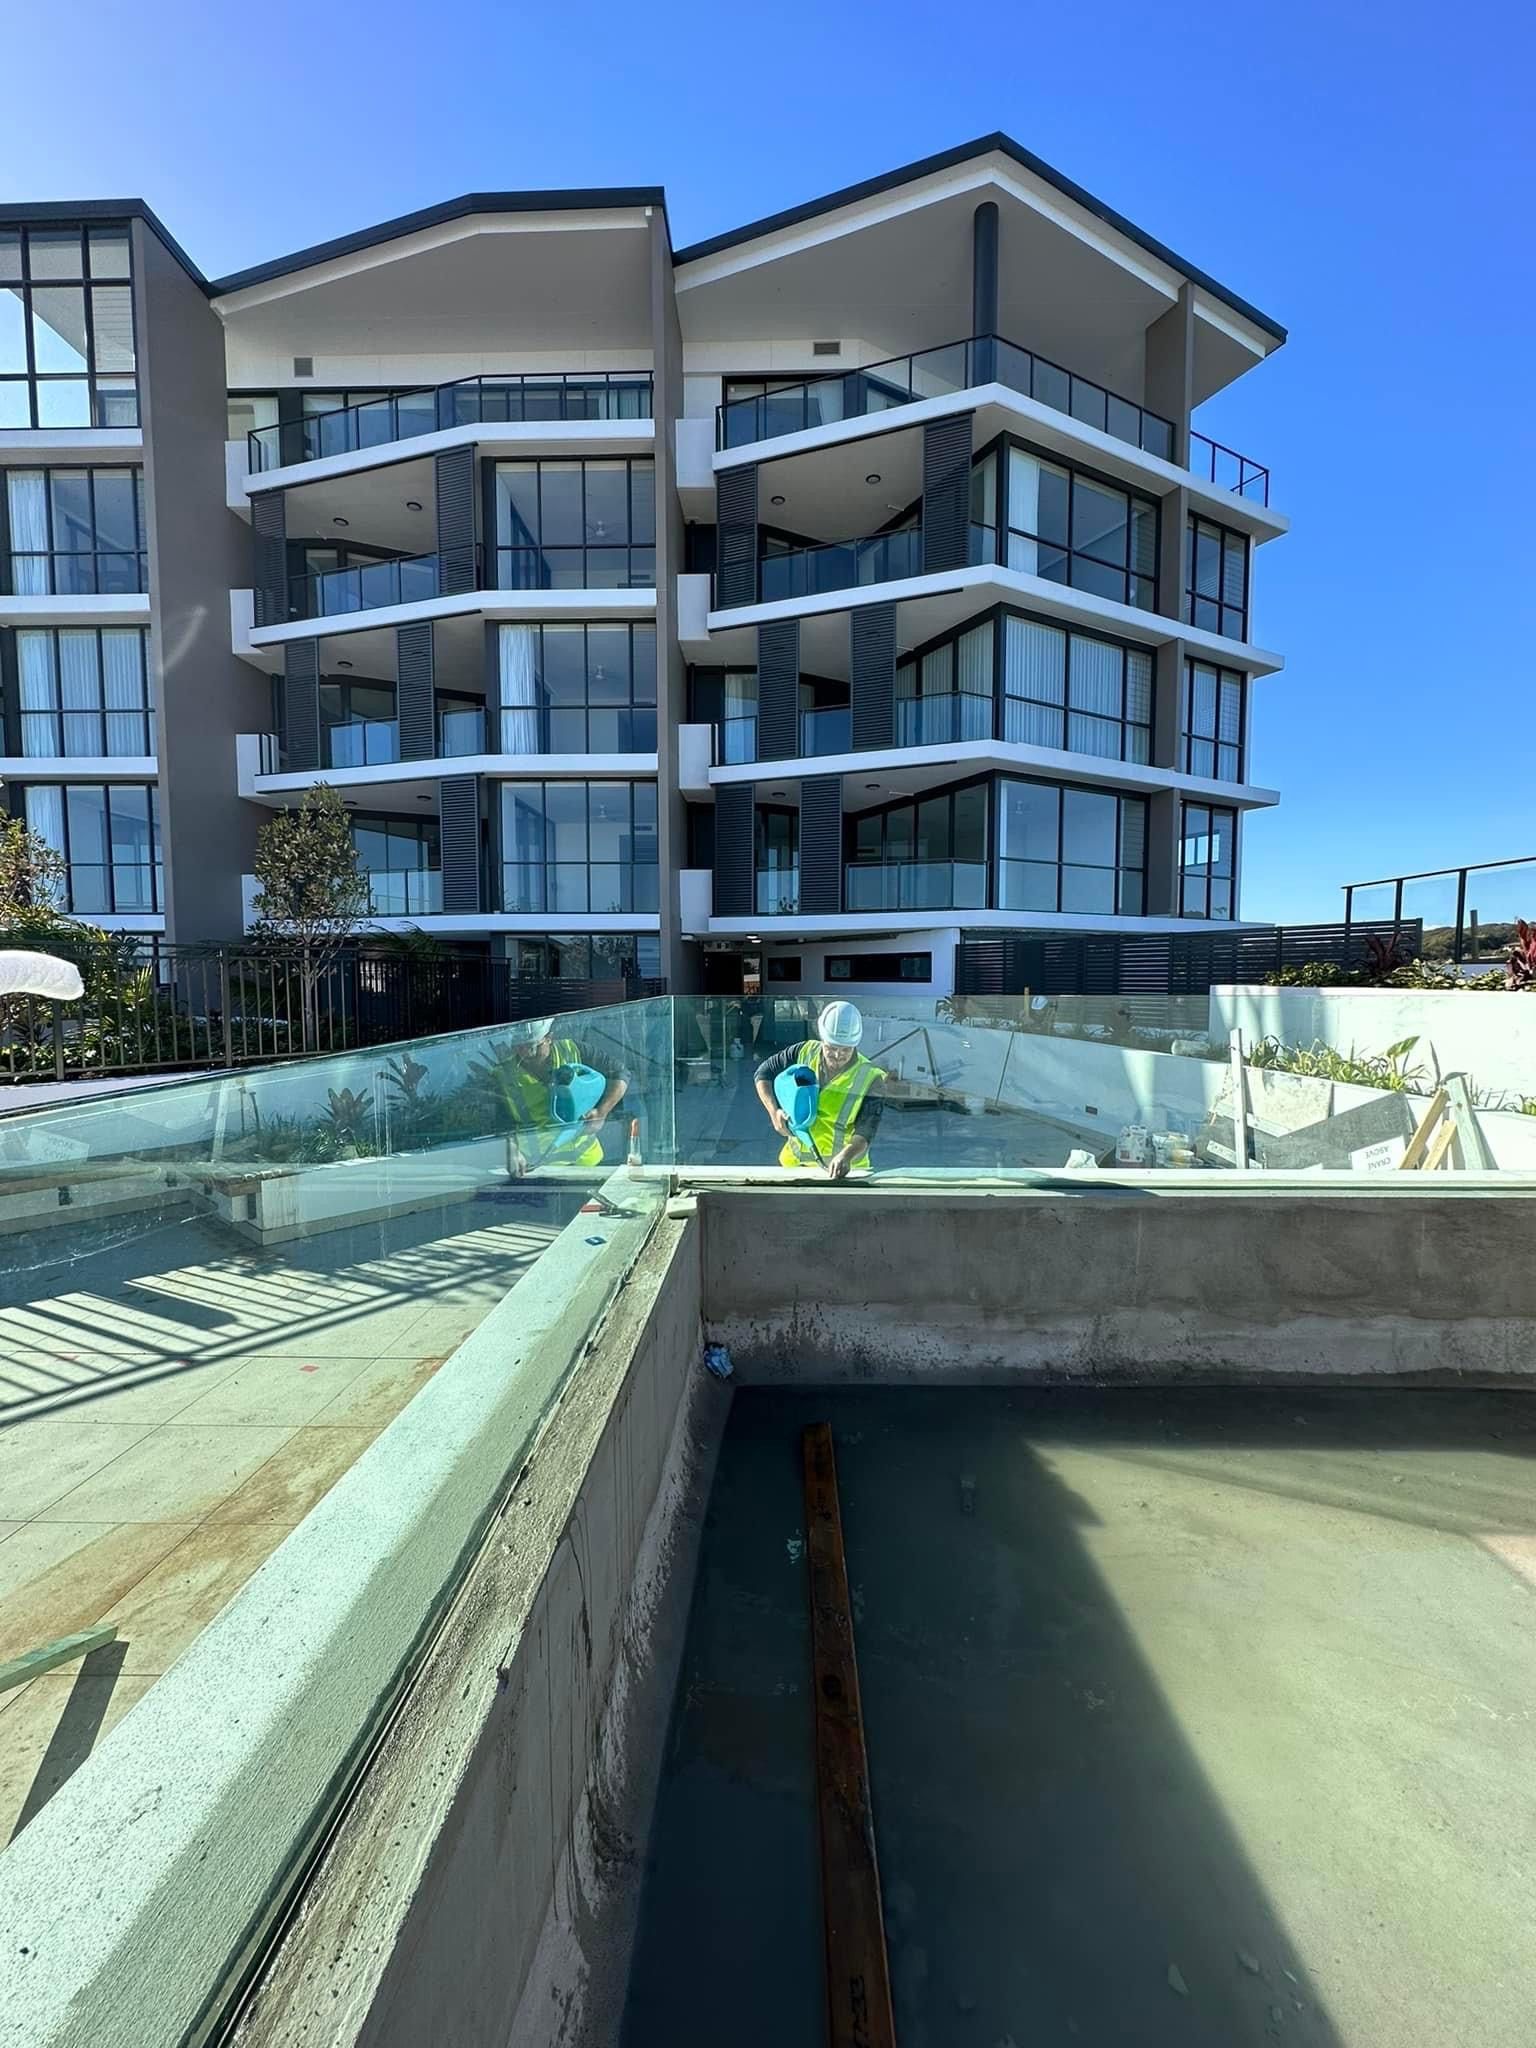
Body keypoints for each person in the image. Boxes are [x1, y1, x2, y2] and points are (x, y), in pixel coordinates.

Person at [754, 1000, 885, 1179]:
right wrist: (773, 1111)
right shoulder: (804, 1051)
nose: (837, 1055)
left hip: (845, 1171)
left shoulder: (871, 1078)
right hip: (795, 1165)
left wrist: (845, 1156)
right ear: (822, 1038)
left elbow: (865, 1132)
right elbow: (763, 1074)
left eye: (845, 1050)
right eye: (831, 1048)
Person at [493, 1016, 628, 1173]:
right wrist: (511, 1150)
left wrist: (602, 1112)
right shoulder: (504, 1074)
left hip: (587, 1163)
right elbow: (502, 1122)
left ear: (549, 1038)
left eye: (533, 1046)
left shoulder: (573, 1050)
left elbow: (621, 1074)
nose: (526, 1053)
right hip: (537, 1169)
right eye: (518, 1046)